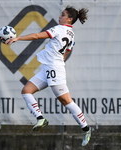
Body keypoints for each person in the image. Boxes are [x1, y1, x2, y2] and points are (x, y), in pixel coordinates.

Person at [6, 6, 93, 146]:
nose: (60, 16)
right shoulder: (71, 33)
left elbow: (37, 36)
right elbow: (68, 50)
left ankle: (86, 129)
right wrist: (61, 59)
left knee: (66, 101)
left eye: (63, 15)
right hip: (47, 69)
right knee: (26, 91)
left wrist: (18, 39)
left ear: (69, 19)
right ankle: (40, 118)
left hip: (54, 70)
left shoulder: (59, 29)